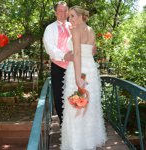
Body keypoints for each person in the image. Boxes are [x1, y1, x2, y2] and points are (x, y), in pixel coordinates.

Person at [61, 6, 107, 150]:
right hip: (91, 70)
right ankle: (89, 141)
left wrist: (77, 78)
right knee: (88, 104)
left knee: (76, 106)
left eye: (73, 16)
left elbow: (77, 54)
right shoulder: (91, 30)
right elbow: (92, 51)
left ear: (81, 16)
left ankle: (77, 144)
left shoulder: (75, 30)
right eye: (69, 17)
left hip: (79, 70)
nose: (70, 19)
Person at [43, 1, 73, 125]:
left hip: (73, 67)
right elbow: (49, 47)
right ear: (55, 13)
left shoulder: (73, 25)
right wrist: (64, 56)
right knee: (60, 97)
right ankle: (63, 125)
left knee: (74, 94)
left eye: (65, 10)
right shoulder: (50, 28)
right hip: (58, 66)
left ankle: (75, 124)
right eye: (60, 11)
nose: (63, 13)